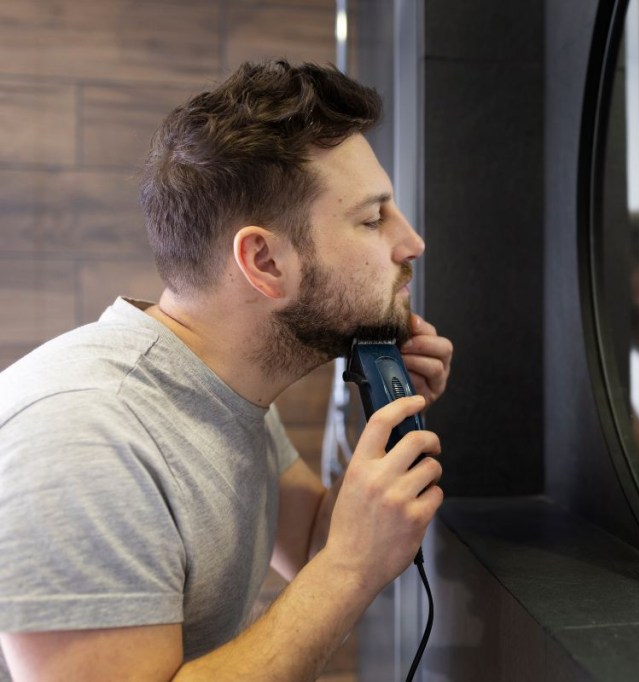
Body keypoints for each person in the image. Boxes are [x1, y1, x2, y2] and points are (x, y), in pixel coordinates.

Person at [0, 59, 453, 680]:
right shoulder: (85, 437)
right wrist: (349, 567)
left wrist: (387, 412)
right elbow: (338, 562)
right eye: (373, 218)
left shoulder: (218, 389)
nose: (412, 243)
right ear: (264, 261)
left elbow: (322, 543)